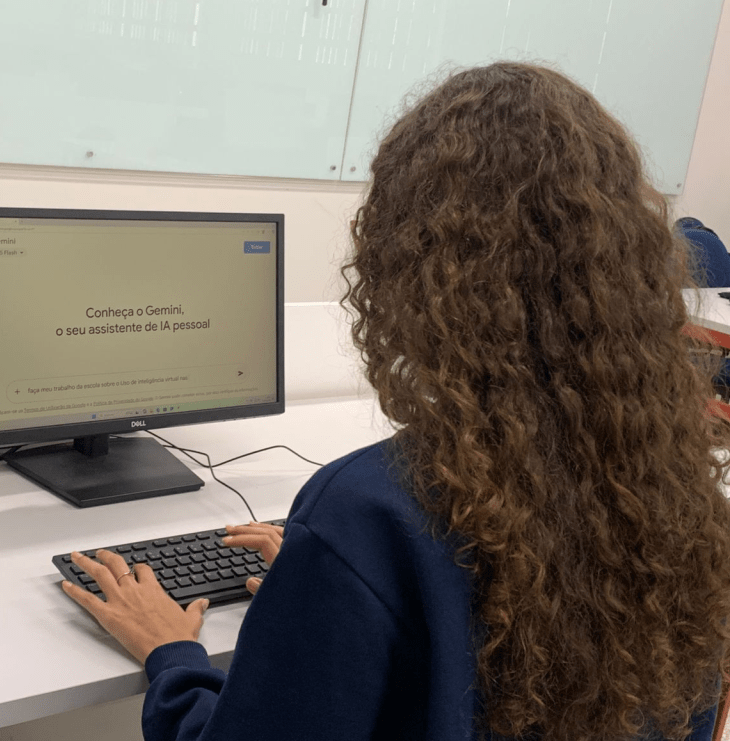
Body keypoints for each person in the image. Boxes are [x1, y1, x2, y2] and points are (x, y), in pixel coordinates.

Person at [61, 62, 730, 741]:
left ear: (408, 262)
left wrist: (172, 655)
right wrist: (328, 600)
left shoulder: (368, 511)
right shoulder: (677, 496)